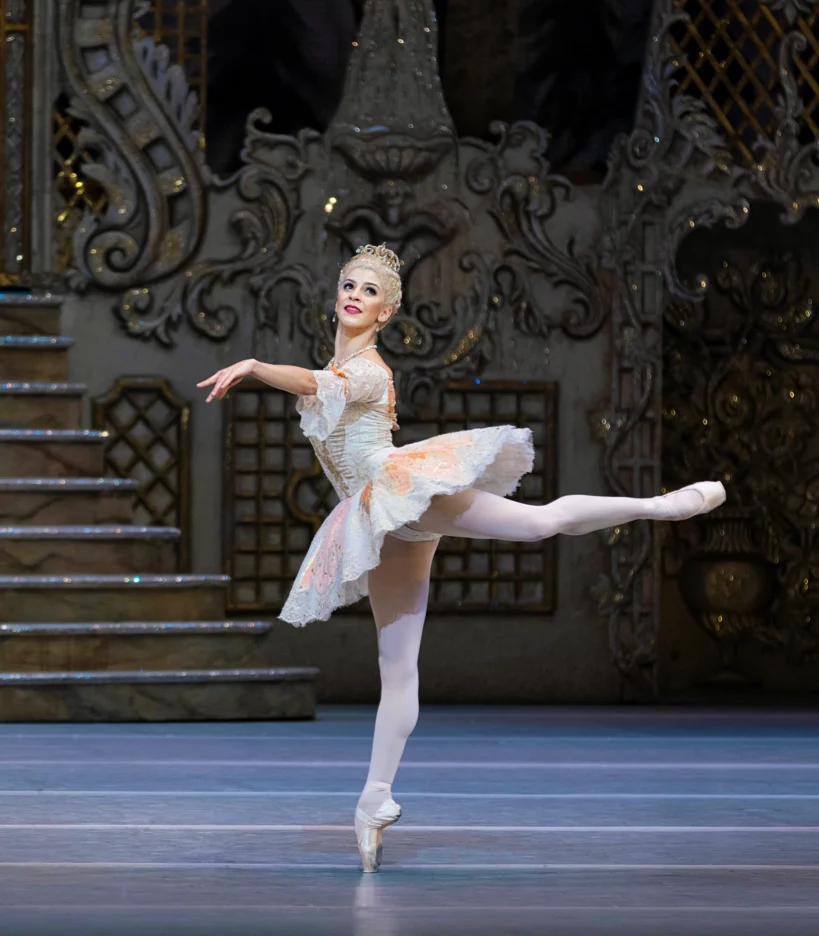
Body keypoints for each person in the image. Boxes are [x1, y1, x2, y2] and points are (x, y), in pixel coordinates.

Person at [198, 242, 725, 872]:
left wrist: (255, 364)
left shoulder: (366, 370)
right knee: (396, 666)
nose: (355, 295)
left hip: (397, 488)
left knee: (539, 524)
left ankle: (661, 506)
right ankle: (373, 801)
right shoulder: (339, 367)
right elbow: (319, 388)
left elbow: (315, 384)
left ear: (386, 313)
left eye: (370, 291)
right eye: (350, 284)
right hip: (376, 519)